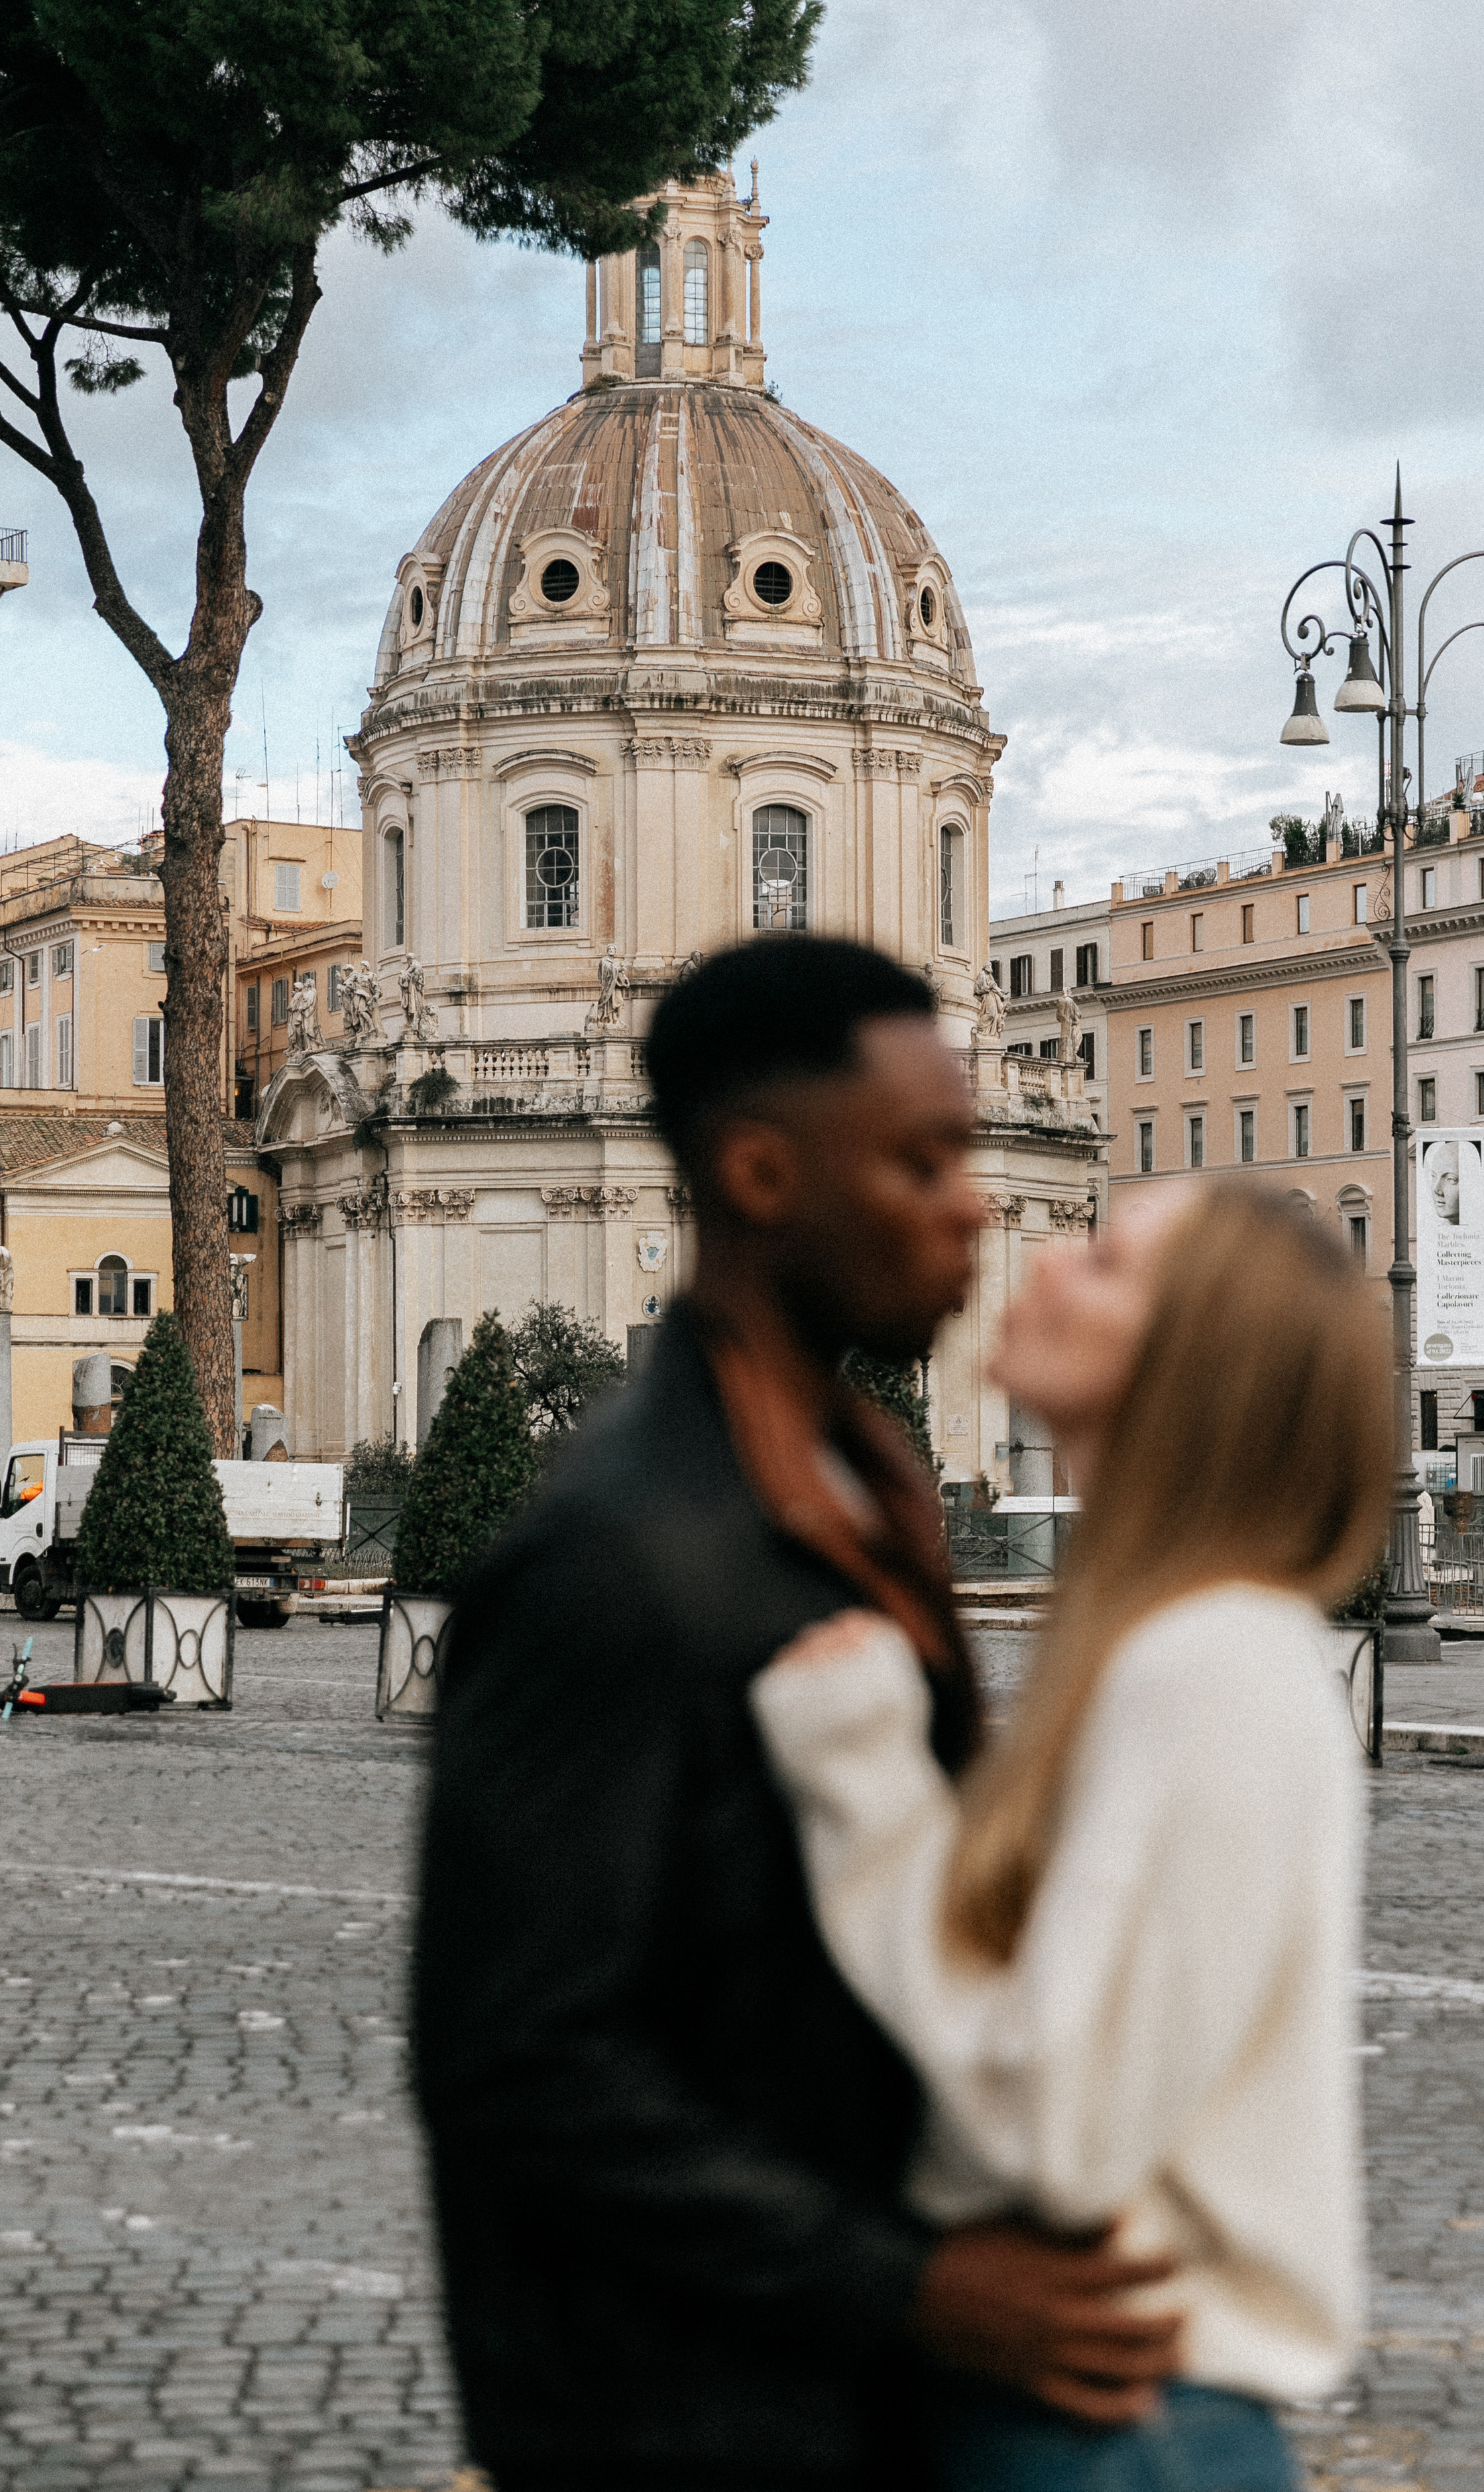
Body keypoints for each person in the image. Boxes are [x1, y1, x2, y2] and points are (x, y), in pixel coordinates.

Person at [412, 936, 1182, 2492]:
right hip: (676, 2418)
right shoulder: (614, 1565)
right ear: (760, 1173)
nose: (974, 1201)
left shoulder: (855, 1481)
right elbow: (515, 2061)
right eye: (919, 1159)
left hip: (832, 2393)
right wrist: (906, 2283)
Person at [753, 1180, 1395, 2491]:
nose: (1041, 1260)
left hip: (1110, 2429)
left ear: (1190, 1372)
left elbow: (1053, 2120)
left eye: (1100, 1264)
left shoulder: (1212, 1665)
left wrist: (862, 1784)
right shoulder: (1171, 1647)